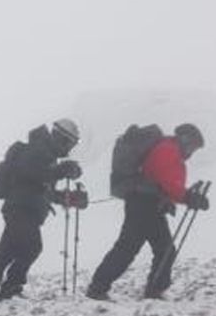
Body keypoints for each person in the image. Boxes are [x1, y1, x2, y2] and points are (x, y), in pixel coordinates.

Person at [87, 123, 208, 301]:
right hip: (144, 204)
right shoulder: (168, 150)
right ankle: (100, 287)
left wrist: (181, 197)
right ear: (185, 139)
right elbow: (168, 182)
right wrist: (189, 197)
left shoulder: (169, 149)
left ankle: (149, 288)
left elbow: (164, 183)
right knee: (135, 247)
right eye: (193, 146)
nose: (192, 151)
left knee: (155, 248)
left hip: (147, 203)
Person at [0, 119, 83, 301]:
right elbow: (33, 174)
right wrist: (62, 170)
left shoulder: (46, 153)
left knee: (7, 250)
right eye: (70, 143)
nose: (69, 148)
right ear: (61, 138)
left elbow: (41, 187)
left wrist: (67, 197)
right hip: (21, 207)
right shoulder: (38, 149)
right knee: (32, 247)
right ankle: (10, 289)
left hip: (22, 207)